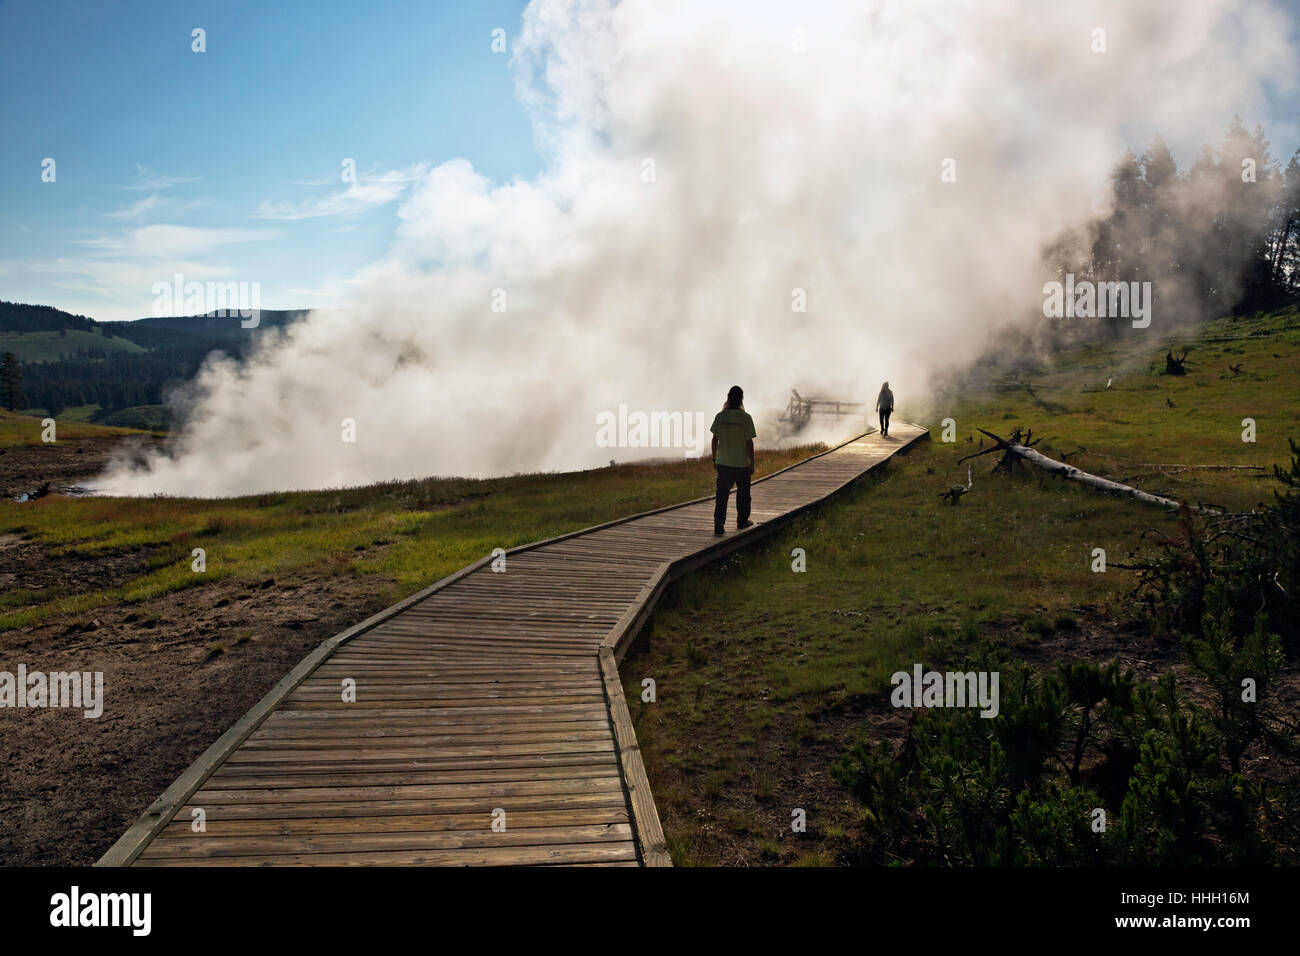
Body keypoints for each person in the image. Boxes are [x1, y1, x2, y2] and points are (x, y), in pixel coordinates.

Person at [710, 385, 756, 534]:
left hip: (723, 462)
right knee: (743, 494)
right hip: (741, 463)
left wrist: (714, 458)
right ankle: (742, 521)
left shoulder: (720, 416)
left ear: (728, 397)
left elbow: (714, 439)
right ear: (741, 399)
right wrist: (752, 463)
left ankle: (719, 523)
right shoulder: (746, 418)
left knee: (722, 495)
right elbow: (749, 443)